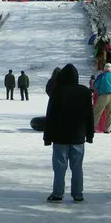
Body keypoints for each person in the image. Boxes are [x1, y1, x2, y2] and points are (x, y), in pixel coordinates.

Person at [43, 64, 94, 203]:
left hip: (60, 137)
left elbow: (51, 115)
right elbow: (90, 115)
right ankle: (78, 194)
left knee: (59, 168)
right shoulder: (85, 92)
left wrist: (47, 137)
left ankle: (58, 193)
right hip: (78, 137)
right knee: (77, 167)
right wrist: (90, 134)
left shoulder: (58, 92)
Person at [93, 63, 111, 133]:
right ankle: (108, 129)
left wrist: (98, 90)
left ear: (104, 69)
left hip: (103, 95)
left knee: (97, 112)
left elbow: (95, 86)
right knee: (110, 113)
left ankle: (93, 127)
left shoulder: (101, 76)